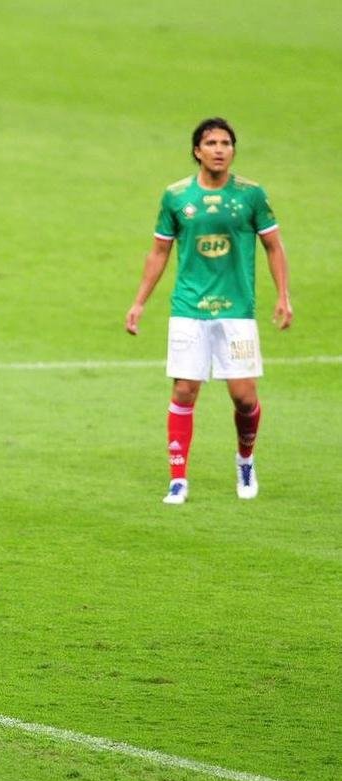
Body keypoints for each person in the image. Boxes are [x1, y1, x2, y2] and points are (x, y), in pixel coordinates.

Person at [126, 117, 292, 504]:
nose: (220, 149)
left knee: (245, 398)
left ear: (233, 150)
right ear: (197, 151)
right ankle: (178, 479)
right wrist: (139, 302)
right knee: (184, 389)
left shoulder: (251, 195)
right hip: (189, 308)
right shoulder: (176, 196)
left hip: (237, 311)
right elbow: (159, 251)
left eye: (226, 142)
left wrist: (283, 295)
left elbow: (273, 246)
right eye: (211, 143)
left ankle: (245, 460)